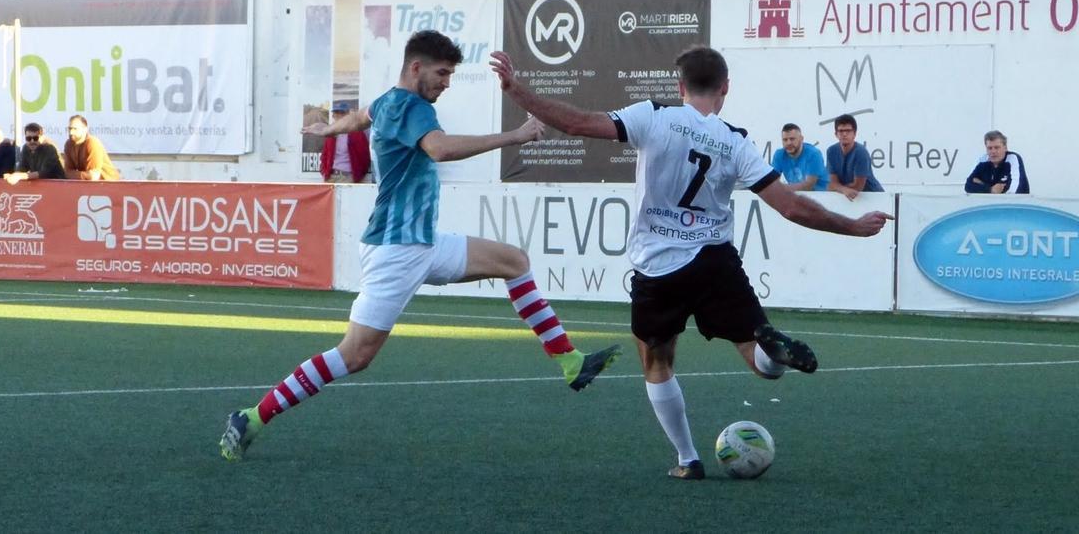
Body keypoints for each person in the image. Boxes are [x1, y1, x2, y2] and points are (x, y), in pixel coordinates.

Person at [491, 45, 892, 480]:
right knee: (758, 360)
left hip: (658, 266)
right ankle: (774, 354)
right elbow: (791, 207)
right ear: (725, 89)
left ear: (680, 86)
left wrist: (516, 89)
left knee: (657, 361)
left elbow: (574, 122)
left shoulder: (653, 116)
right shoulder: (735, 140)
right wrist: (851, 226)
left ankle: (687, 459)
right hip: (715, 261)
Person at [219, 30, 622, 462]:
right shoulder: (411, 108)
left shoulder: (389, 101)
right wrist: (514, 136)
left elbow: (359, 118)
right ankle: (252, 416)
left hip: (420, 244)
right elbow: (441, 150)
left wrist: (329, 128)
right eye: (442, 73)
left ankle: (569, 361)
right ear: (416, 68)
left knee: (514, 261)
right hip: (396, 251)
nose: (447, 82)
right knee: (354, 356)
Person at [826, 113, 882, 200]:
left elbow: (858, 186)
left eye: (848, 131)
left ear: (854, 133)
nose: (844, 134)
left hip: (873, 197)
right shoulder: (831, 151)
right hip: (847, 197)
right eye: (841, 131)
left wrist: (838, 188)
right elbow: (832, 183)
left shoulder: (861, 152)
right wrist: (842, 189)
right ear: (836, 134)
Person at [319, 101, 371, 183]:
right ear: (333, 115)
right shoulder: (331, 133)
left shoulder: (357, 133)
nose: (339, 115)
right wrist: (324, 172)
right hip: (331, 177)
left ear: (348, 115)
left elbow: (364, 156)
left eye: (342, 113)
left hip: (349, 177)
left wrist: (358, 176)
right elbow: (325, 154)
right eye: (336, 112)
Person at [964, 130, 1029, 194]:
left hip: (1015, 203)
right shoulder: (982, 160)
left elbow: (1014, 190)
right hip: (988, 203)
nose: (993, 151)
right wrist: (990, 189)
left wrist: (982, 185)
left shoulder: (1012, 159)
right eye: (989, 148)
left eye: (997, 147)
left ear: (1005, 148)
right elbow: (968, 186)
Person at [771, 123, 828, 191]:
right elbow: (772, 182)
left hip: (822, 196)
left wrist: (782, 188)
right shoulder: (779, 154)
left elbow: (809, 185)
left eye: (792, 139)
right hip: (797, 195)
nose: (788, 143)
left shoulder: (813, 154)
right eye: (785, 140)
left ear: (801, 139)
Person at [63, 115, 120, 181]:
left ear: (85, 129)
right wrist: (83, 175)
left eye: (75, 129)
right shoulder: (69, 144)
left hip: (108, 183)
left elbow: (93, 176)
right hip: (87, 184)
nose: (71, 132)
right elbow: (67, 172)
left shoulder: (92, 143)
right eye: (70, 129)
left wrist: (73, 175)